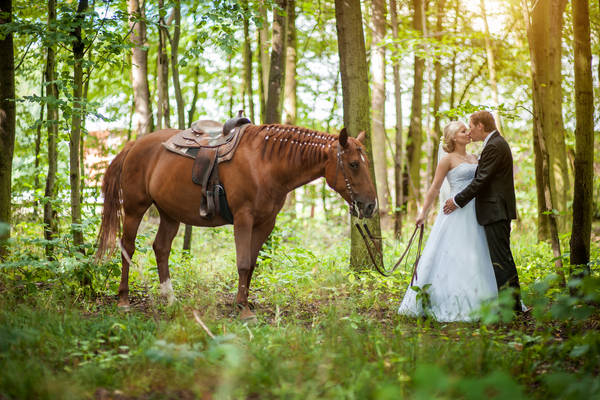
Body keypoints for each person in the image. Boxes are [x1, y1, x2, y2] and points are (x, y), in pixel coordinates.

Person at [398, 120, 498, 322]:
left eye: (468, 130)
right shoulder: (447, 160)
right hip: (453, 213)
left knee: (478, 255)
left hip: (476, 212)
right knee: (452, 255)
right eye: (463, 131)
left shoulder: (475, 157)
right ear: (453, 137)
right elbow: (435, 188)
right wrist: (422, 212)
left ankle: (482, 299)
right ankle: (445, 300)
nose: (468, 133)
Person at [443, 111, 522, 312]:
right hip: (496, 209)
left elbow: (481, 180)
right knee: (502, 257)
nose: (470, 131)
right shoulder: (495, 143)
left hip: (495, 210)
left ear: (480, 126)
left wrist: (457, 200)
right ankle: (512, 304)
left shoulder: (495, 145)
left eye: (471, 126)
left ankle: (511, 308)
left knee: (501, 259)